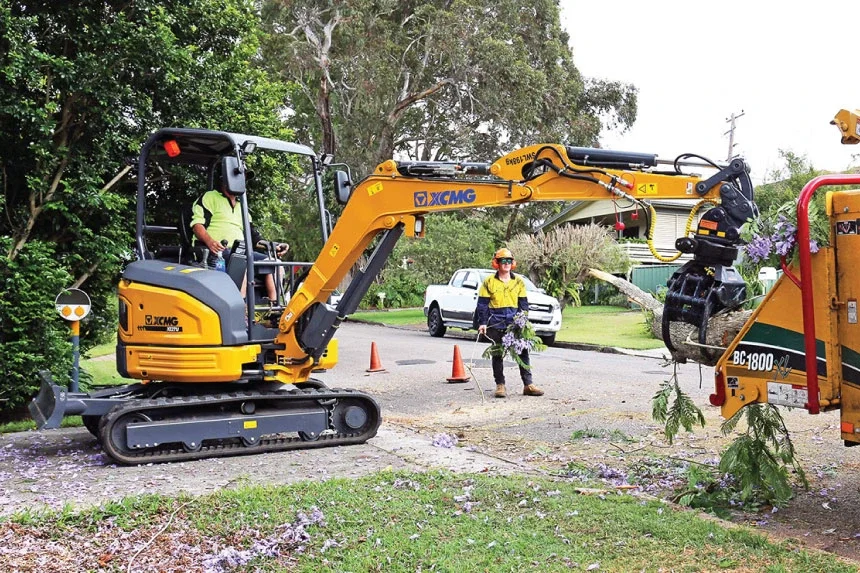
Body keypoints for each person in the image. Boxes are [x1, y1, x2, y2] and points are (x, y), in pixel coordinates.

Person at [190, 180, 287, 300]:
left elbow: (253, 237)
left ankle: (274, 308)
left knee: (276, 264)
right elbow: (197, 225)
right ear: (225, 178)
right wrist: (210, 242)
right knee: (241, 262)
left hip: (241, 251)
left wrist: (274, 246)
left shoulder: (242, 206)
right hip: (216, 251)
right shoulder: (210, 197)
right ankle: (241, 311)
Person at [476, 247, 544, 399]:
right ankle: (500, 385)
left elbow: (523, 304)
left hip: (514, 321)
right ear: (497, 263)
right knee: (497, 353)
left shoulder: (519, 282)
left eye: (508, 261)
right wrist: (482, 323)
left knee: (523, 352)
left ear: (512, 263)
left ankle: (528, 384)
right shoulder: (489, 282)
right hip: (496, 321)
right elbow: (482, 305)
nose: (506, 264)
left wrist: (523, 321)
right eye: (503, 261)